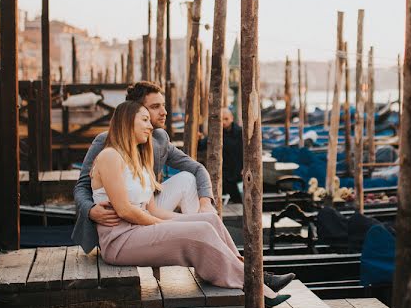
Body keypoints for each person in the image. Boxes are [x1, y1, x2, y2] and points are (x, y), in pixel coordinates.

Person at [72, 82, 293, 293]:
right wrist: (90, 210)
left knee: (199, 200)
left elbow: (197, 169)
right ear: (133, 112)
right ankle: (216, 258)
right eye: (155, 107)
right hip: (116, 222)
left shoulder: (157, 140)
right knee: (199, 226)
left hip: (146, 206)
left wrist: (205, 204)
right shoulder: (106, 143)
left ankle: (245, 270)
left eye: (163, 106)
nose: (164, 112)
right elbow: (83, 185)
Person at [221, 107, 243, 202]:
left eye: (226, 119)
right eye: (221, 119)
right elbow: (203, 144)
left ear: (232, 118)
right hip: (225, 171)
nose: (224, 122)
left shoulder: (240, 132)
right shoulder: (217, 133)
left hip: (239, 169)